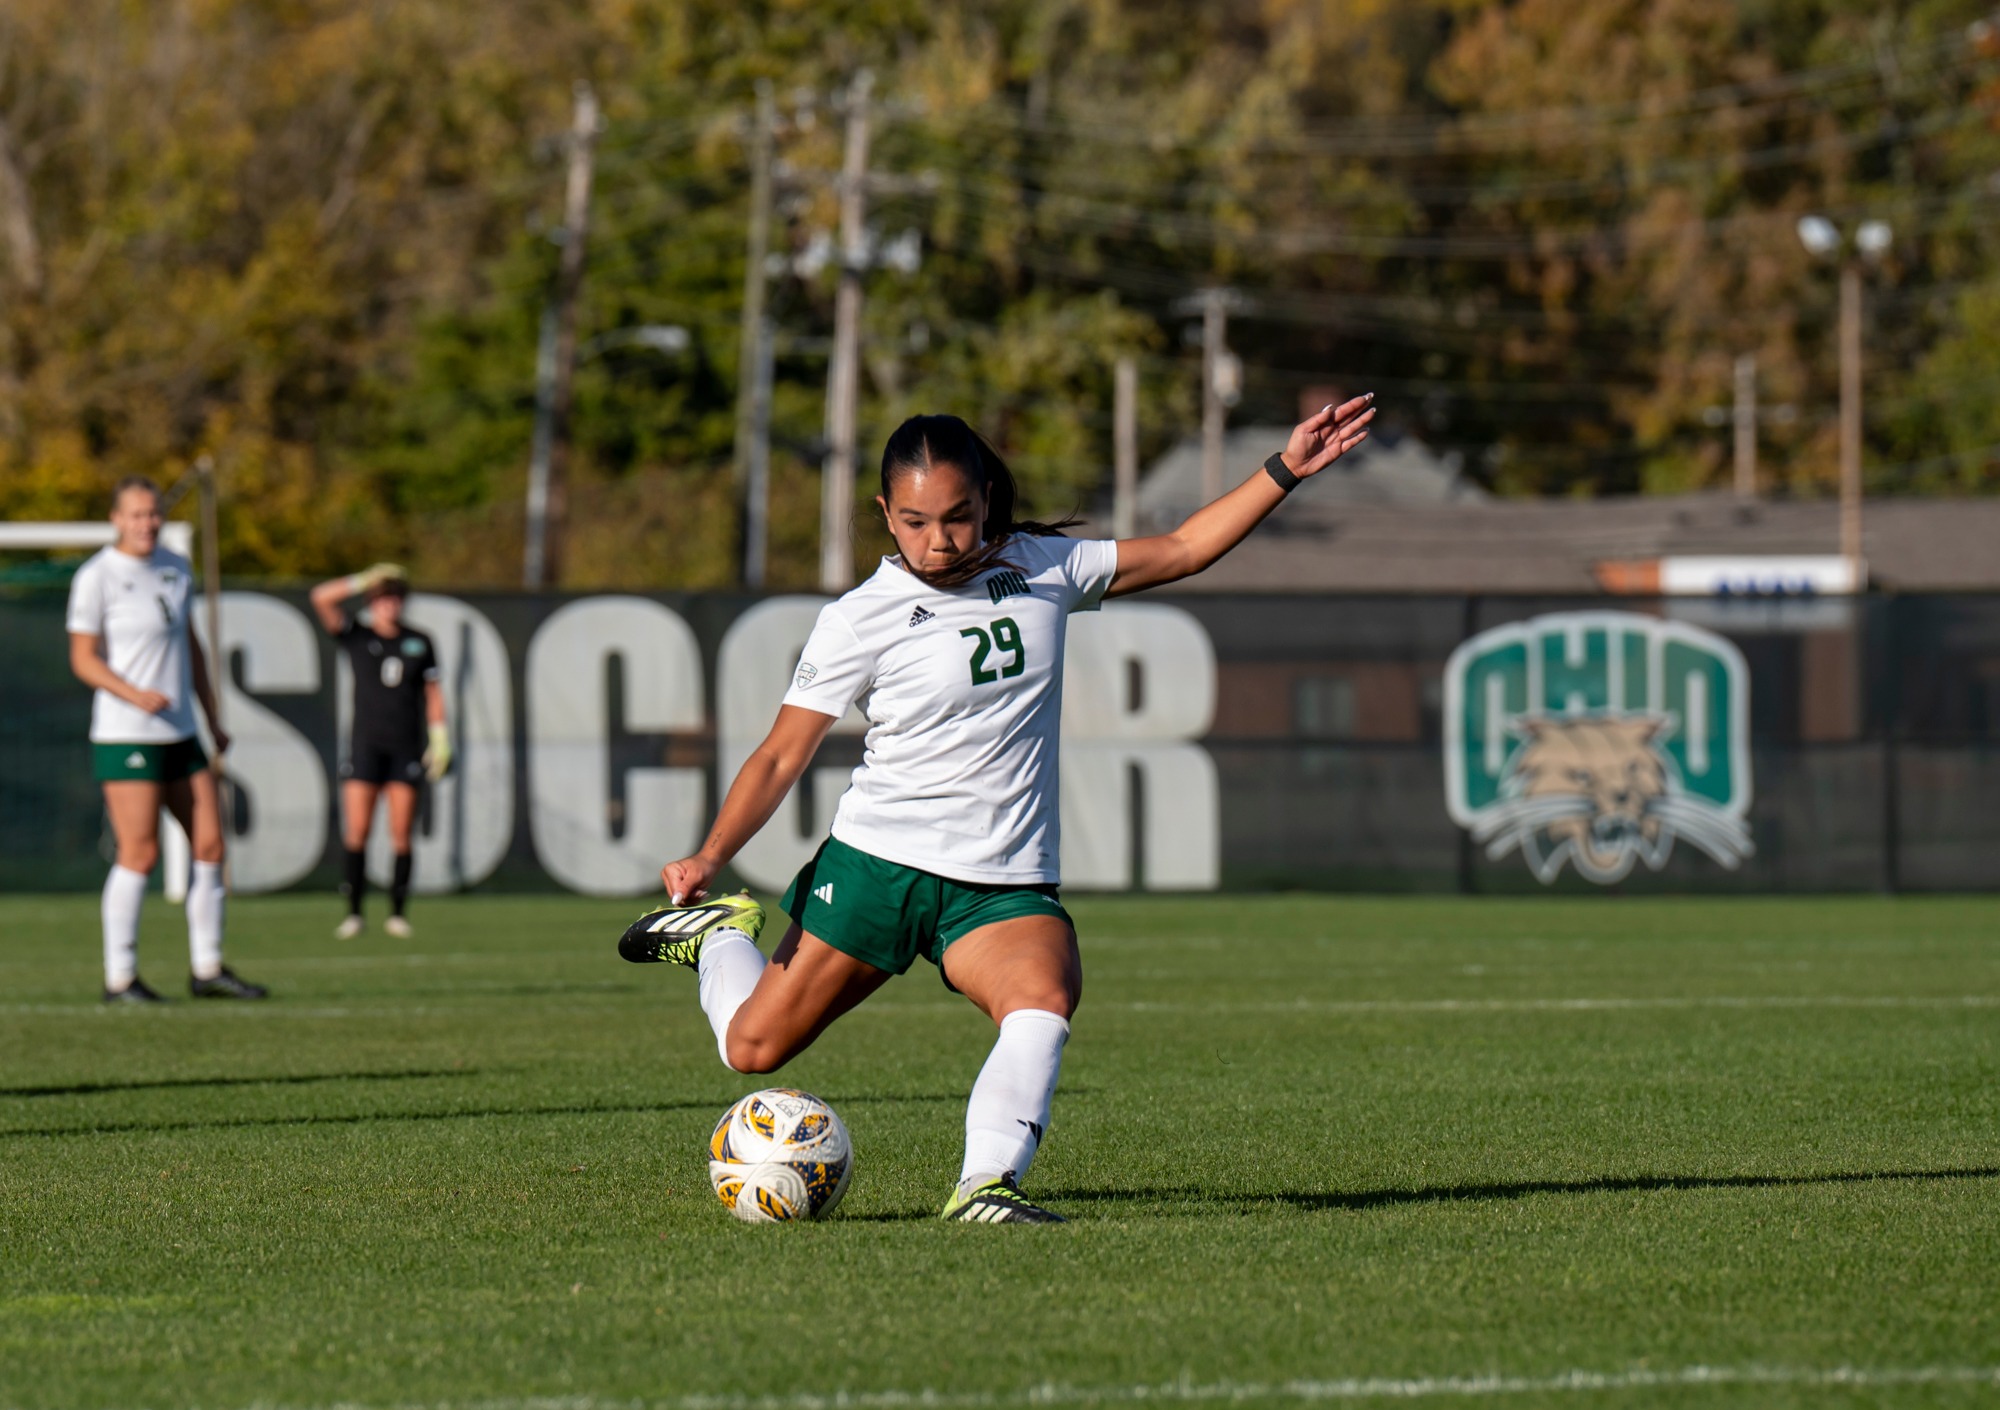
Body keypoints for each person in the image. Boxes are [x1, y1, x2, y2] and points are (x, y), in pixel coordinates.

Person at [621, 397, 1374, 1222]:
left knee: (1043, 1002)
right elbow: (779, 755)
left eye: (957, 516)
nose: (938, 540)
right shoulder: (859, 618)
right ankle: (723, 936)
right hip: (878, 866)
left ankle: (985, 1186)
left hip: (1001, 882)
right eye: (913, 521)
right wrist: (708, 856)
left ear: (986, 496)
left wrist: (1284, 471)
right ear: (884, 513)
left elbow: (1187, 547)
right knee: (752, 1049)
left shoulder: (1043, 566)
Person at [66, 476, 267, 1003]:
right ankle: (121, 977)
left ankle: (207, 968)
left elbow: (192, 647)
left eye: (152, 513)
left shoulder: (175, 568)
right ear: (116, 519)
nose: (146, 523)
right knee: (140, 851)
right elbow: (83, 658)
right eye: (135, 514)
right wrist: (132, 694)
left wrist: (213, 717)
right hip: (126, 733)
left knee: (210, 844)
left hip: (180, 731)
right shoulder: (97, 577)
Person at [309, 564, 449, 940]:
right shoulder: (358, 635)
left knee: (401, 833)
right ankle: (354, 913)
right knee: (357, 831)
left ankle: (398, 913)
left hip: (406, 747)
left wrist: (440, 737)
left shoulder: (420, 641)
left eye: (395, 597)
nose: (389, 605)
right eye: (382, 597)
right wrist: (360, 578)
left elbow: (433, 694)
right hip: (366, 746)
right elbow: (320, 597)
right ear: (372, 601)